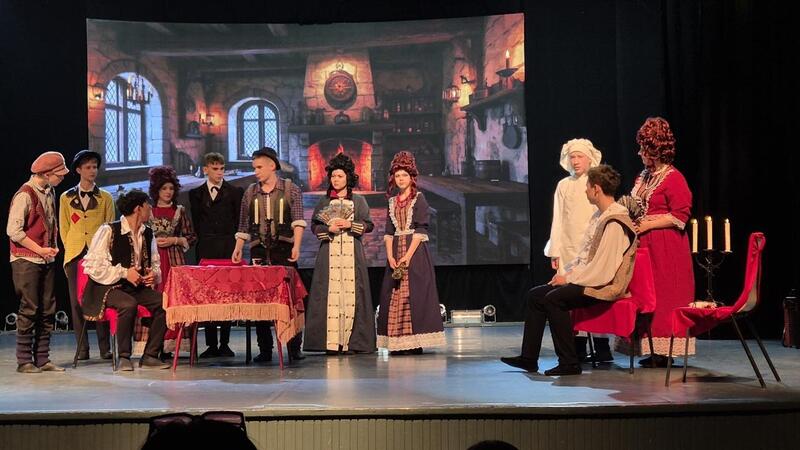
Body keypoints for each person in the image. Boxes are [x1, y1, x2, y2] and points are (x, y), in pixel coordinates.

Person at [501, 165, 638, 376]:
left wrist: (569, 280)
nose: (585, 191)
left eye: (588, 187)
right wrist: (566, 274)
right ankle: (528, 358)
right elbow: (585, 257)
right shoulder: (600, 216)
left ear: (596, 189)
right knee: (535, 295)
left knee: (554, 299)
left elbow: (604, 268)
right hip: (592, 278)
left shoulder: (615, 222)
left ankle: (569, 362)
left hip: (604, 286)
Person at [623, 117, 695, 367]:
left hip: (666, 247)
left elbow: (680, 215)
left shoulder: (674, 178)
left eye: (644, 149)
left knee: (664, 295)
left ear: (655, 150)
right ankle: (650, 349)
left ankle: (664, 351)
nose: (639, 153)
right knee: (645, 296)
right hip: (643, 246)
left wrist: (648, 224)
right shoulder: (643, 176)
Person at [81, 190, 170, 371]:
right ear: (138, 208)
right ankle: (123, 356)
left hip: (134, 287)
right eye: (148, 205)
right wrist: (124, 273)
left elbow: (155, 264)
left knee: (165, 303)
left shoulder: (147, 233)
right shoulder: (109, 230)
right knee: (128, 304)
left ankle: (150, 355)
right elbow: (94, 267)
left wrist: (153, 275)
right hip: (107, 287)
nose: (150, 209)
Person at [232, 147, 306, 363]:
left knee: (289, 298)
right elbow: (244, 224)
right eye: (254, 167)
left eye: (259, 167)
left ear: (272, 166)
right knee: (260, 300)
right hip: (259, 250)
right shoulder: (250, 192)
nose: (255, 171)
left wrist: (297, 246)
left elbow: (298, 220)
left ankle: (294, 347)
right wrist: (238, 247)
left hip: (283, 250)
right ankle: (265, 348)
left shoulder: (290, 189)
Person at [543, 138, 610, 362]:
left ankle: (601, 345)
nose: (576, 161)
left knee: (592, 294)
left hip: (591, 246)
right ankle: (577, 346)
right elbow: (558, 219)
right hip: (569, 247)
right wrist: (555, 249)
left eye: (580, 156)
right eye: (572, 157)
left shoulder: (596, 184)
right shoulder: (564, 185)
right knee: (568, 297)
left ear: (590, 158)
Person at [303, 153, 376, 354]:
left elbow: (369, 225)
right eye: (333, 176)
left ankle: (352, 342)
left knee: (353, 293)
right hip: (329, 253)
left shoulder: (359, 201)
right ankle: (331, 343)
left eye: (340, 176)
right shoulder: (324, 201)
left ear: (348, 178)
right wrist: (329, 229)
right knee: (330, 294)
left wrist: (350, 224)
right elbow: (315, 226)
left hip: (352, 253)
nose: (335, 180)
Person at [376, 151, 445, 354]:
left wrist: (407, 256)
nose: (400, 179)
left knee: (412, 294)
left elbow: (421, 229)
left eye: (404, 175)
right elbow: (389, 232)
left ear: (411, 177)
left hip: (414, 251)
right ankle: (397, 342)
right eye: (397, 175)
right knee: (395, 294)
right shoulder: (392, 201)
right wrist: (390, 256)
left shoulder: (419, 199)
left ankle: (414, 342)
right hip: (396, 249)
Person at [7, 151, 69, 373]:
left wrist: (51, 246)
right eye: (59, 174)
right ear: (46, 173)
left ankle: (42, 359)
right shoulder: (25, 195)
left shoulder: (50, 191)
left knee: (47, 308)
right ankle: (24, 360)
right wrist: (40, 249)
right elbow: (13, 231)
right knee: (30, 307)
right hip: (26, 260)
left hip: (45, 259)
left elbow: (50, 222)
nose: (62, 177)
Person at [59, 150, 114, 361]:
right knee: (76, 302)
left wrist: (102, 251)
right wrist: (71, 249)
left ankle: (104, 348)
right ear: (79, 170)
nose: (92, 171)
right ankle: (82, 349)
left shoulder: (105, 197)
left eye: (95, 167)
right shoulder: (66, 197)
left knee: (99, 298)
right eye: (88, 167)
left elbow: (109, 226)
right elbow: (64, 228)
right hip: (75, 254)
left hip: (98, 254)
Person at [189, 152, 244, 359]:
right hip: (206, 248)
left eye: (222, 168)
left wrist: (236, 246)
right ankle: (211, 344)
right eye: (215, 169)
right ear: (205, 169)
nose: (219, 172)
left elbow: (238, 222)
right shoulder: (196, 194)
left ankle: (225, 343)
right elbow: (197, 222)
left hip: (228, 247)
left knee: (226, 293)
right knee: (207, 293)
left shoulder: (235, 192)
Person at [148, 166, 196, 357]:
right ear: (156, 190)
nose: (168, 192)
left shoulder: (179, 211)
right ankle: (154, 345)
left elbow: (191, 236)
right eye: (164, 188)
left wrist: (175, 240)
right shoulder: (149, 211)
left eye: (171, 188)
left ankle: (172, 342)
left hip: (174, 261)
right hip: (154, 260)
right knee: (155, 298)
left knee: (174, 298)